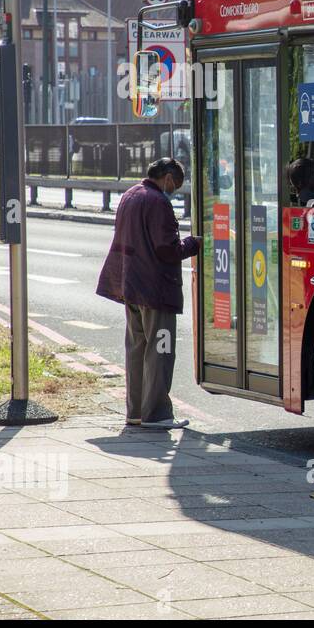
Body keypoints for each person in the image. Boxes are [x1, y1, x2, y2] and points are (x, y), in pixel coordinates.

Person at [95, 158, 200, 430]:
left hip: (130, 285)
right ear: (166, 177)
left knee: (137, 349)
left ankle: (136, 412)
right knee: (160, 351)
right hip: (156, 289)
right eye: (175, 183)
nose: (175, 189)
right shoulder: (158, 202)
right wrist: (192, 244)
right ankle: (157, 414)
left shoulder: (130, 195)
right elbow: (166, 249)